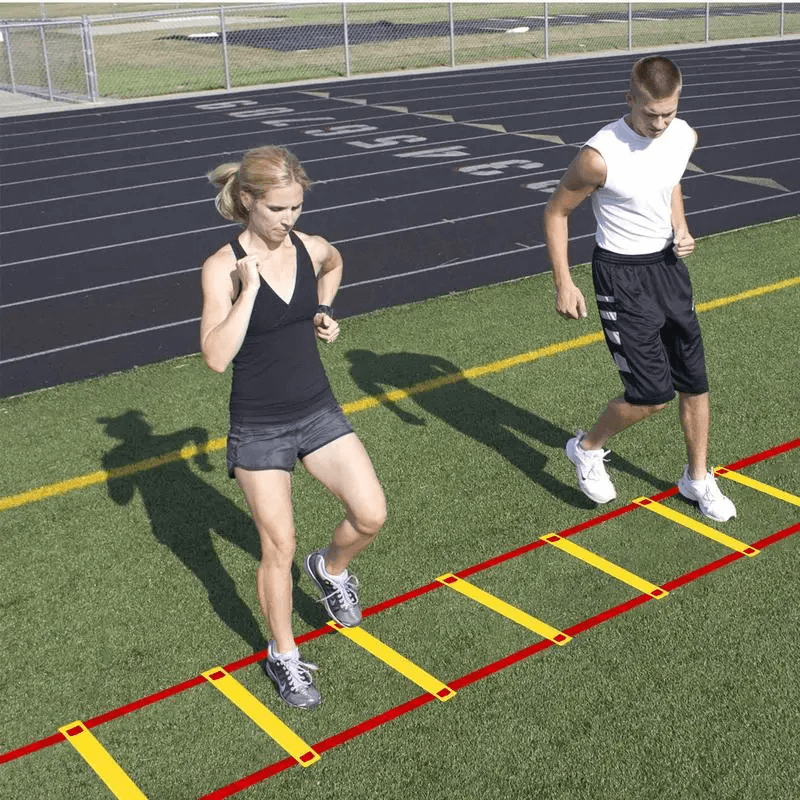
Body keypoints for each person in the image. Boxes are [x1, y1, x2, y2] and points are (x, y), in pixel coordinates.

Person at [200, 145, 387, 708]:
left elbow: (335, 263)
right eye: (277, 209)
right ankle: (284, 656)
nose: (288, 220)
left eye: (296, 207)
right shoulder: (221, 267)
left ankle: (330, 569)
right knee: (278, 546)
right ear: (247, 201)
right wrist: (249, 292)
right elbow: (215, 356)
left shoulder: (310, 246)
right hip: (259, 426)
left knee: (371, 514)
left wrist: (324, 309)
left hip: (316, 407)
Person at [543, 55, 736, 522]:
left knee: (694, 381)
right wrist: (564, 282)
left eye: (669, 113)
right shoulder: (598, 157)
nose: (660, 123)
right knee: (651, 394)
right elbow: (556, 212)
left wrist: (680, 227)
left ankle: (696, 478)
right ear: (630, 98)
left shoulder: (684, 136)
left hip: (668, 268)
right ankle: (586, 448)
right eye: (651, 114)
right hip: (622, 277)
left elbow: (670, 181)